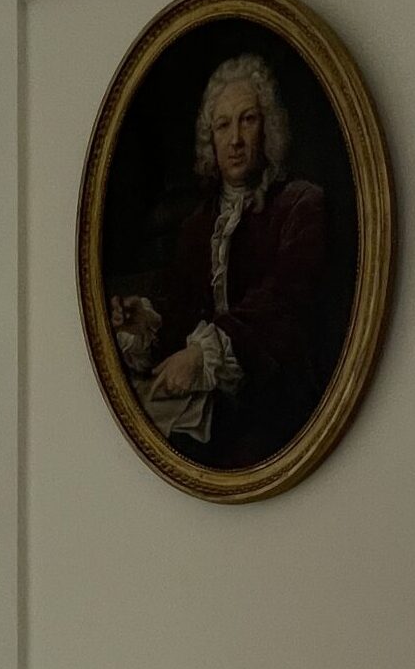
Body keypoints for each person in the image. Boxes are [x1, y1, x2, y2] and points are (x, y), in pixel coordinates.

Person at [112, 54, 330, 467]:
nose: (235, 140)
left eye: (248, 120)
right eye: (223, 125)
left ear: (268, 127)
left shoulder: (301, 204)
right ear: (209, 138)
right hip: (214, 408)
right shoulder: (199, 225)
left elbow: (286, 302)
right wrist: (144, 323)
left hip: (282, 406)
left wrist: (204, 354)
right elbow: (182, 313)